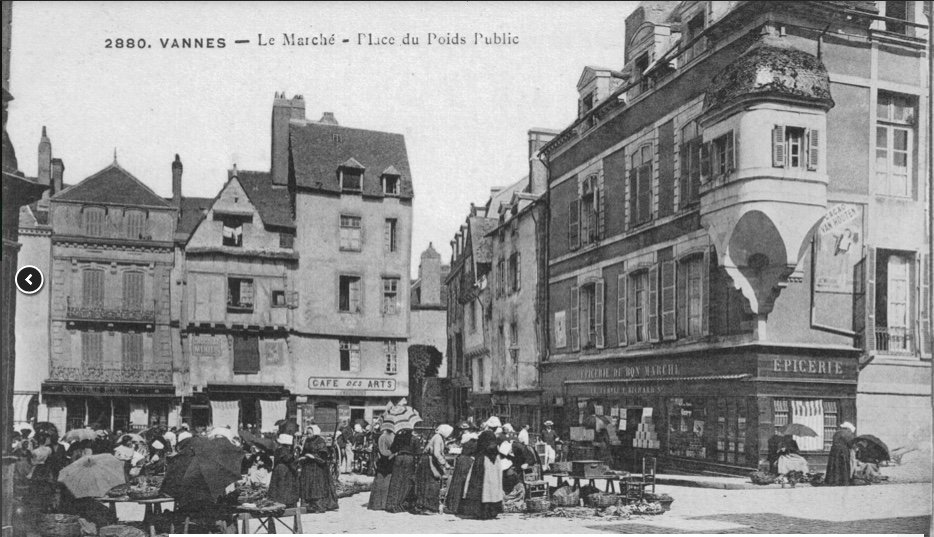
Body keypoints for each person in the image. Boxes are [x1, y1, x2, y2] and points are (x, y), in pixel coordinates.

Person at [459, 428, 504, 520]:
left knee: (482, 489)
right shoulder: (496, 452)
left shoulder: (481, 453)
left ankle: (482, 512)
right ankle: (492, 512)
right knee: (493, 489)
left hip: (484, 465)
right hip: (493, 466)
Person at [414, 424, 453, 514]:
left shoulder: (439, 437)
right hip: (428, 461)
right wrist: (444, 463)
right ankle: (427, 507)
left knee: (429, 483)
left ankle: (427, 506)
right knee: (431, 484)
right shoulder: (438, 438)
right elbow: (436, 453)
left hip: (430, 460)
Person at [299, 426, 339, 513]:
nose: (308, 435)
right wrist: (302, 457)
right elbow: (304, 452)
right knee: (308, 484)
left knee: (316, 485)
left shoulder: (320, 441)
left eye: (310, 433)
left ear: (315, 433)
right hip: (308, 466)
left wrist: (313, 457)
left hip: (317, 467)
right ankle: (308, 505)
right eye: (307, 433)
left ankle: (318, 506)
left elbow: (323, 456)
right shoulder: (307, 440)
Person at [384, 428, 418, 513]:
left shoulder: (398, 437)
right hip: (409, 459)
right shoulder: (414, 439)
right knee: (406, 481)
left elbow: (393, 449)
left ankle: (391, 504)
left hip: (398, 458)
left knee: (396, 480)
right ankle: (400, 503)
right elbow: (417, 452)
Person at [444, 432, 477, 515]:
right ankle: (460, 506)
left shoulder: (466, 442)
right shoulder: (473, 443)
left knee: (456, 483)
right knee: (463, 484)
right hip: (467, 462)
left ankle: (452, 506)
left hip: (462, 461)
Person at [367, 423, 395, 511]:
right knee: (382, 482)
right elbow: (383, 452)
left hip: (387, 461)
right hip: (384, 461)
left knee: (385, 482)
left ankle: (382, 503)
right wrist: (393, 453)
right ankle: (379, 504)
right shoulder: (383, 437)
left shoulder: (389, 436)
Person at [267, 434, 300, 508]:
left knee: (278, 486)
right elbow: (289, 461)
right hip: (285, 470)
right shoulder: (286, 451)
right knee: (286, 487)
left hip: (278, 469)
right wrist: (296, 465)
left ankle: (277, 502)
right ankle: (287, 503)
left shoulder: (278, 450)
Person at [824, 422, 857, 486]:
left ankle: (832, 480)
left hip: (834, 450)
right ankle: (843, 481)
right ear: (848, 428)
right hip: (843, 451)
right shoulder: (847, 434)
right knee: (843, 465)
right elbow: (851, 444)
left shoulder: (837, 433)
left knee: (834, 465)